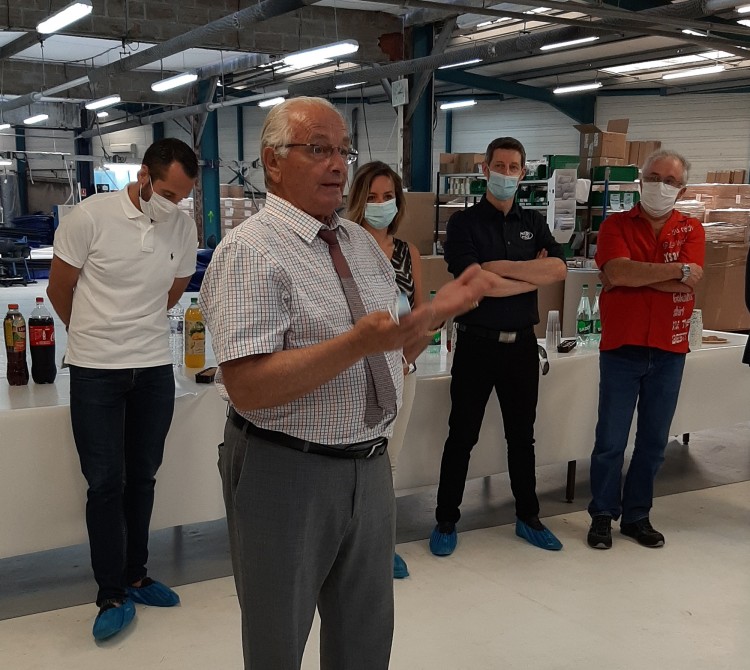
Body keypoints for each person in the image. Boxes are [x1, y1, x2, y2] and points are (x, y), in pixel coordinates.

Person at [199, 96, 494, 670]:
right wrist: (354, 344)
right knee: (276, 640)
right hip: (284, 468)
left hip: (368, 465)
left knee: (365, 637)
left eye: (343, 150)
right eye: (318, 149)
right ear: (273, 162)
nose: (337, 164)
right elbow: (249, 386)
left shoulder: (360, 244)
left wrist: (437, 312)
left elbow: (392, 352)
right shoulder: (250, 252)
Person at [47, 138, 199, 640]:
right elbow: (58, 287)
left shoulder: (182, 224)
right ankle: (110, 591)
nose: (175, 205)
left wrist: (137, 332)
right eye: (169, 194)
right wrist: (93, 336)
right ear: (143, 177)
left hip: (154, 368)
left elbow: (174, 289)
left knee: (144, 476)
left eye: (183, 197)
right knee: (105, 483)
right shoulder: (90, 218)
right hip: (95, 372)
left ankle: (137, 574)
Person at [430, 136, 568, 557]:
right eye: (499, 166)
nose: (507, 173)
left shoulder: (533, 221)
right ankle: (446, 520)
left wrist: (498, 271)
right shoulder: (463, 224)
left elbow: (559, 268)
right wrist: (530, 274)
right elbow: (473, 284)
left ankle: (528, 517)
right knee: (461, 436)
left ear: (523, 174)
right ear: (485, 170)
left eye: (514, 167)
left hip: (522, 348)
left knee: (521, 437)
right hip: (476, 345)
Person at [587, 149, 705, 550]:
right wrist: (673, 272)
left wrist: (635, 276)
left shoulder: (692, 230)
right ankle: (603, 514)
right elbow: (616, 271)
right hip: (622, 348)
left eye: (670, 181)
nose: (660, 186)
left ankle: (637, 516)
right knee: (611, 440)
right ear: (641, 181)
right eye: (654, 177)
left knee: (654, 441)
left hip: (670, 350)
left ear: (682, 189)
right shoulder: (615, 225)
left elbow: (688, 282)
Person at [347, 160, 424, 580]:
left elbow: (416, 315)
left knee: (388, 462)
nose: (380, 205)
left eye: (387, 197)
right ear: (359, 201)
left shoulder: (407, 253)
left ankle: (382, 542)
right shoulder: (346, 248)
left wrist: (407, 357)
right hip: (357, 371)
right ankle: (351, 542)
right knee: (354, 460)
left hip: (401, 369)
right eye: (372, 197)